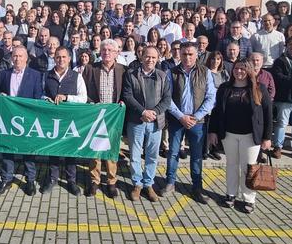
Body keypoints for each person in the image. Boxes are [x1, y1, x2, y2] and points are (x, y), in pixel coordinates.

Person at [208, 59, 272, 214]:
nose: (239, 72)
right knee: (231, 165)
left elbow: (268, 114)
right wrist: (213, 131)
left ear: (249, 70)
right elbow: (216, 112)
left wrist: (267, 137)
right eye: (236, 69)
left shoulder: (259, 88)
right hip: (229, 134)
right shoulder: (225, 88)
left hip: (250, 137)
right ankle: (230, 194)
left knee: (248, 168)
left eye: (243, 69)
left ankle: (249, 199)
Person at [161, 42, 216, 204]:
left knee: (197, 155)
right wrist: (181, 116)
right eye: (184, 54)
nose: (187, 57)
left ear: (197, 54)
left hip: (197, 122)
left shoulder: (205, 72)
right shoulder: (171, 72)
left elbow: (211, 97)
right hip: (177, 120)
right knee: (173, 152)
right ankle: (170, 182)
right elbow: (167, 98)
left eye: (190, 54)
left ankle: (197, 187)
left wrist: (196, 116)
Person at [0, 46, 43, 196]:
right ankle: (6, 179)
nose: (17, 59)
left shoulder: (35, 75)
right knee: (7, 151)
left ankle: (30, 180)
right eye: (15, 56)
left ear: (26, 58)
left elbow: (38, 97)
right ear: (11, 58)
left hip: (27, 120)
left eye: (21, 56)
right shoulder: (4, 74)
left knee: (28, 151)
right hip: (8, 120)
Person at [123, 46, 171, 202]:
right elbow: (128, 96)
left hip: (155, 122)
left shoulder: (163, 76)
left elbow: (167, 99)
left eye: (154, 58)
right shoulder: (131, 74)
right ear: (141, 57)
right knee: (135, 155)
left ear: (158, 59)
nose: (150, 60)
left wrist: (154, 112)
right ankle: (137, 184)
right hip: (136, 120)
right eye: (147, 57)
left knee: (152, 155)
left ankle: (148, 184)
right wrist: (143, 112)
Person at [41, 46, 88, 196]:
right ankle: (52, 179)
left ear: (69, 59)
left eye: (64, 57)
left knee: (70, 151)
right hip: (51, 120)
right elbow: (40, 93)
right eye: (58, 57)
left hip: (70, 120)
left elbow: (83, 98)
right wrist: (44, 99)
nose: (61, 60)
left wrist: (67, 97)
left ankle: (71, 181)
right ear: (54, 58)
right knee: (53, 150)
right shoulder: (46, 75)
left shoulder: (76, 76)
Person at [82, 39, 126, 198]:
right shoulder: (90, 69)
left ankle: (111, 182)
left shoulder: (123, 70)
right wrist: (91, 103)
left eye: (110, 50)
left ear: (116, 53)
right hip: (95, 116)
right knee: (95, 150)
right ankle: (95, 181)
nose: (106, 52)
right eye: (104, 50)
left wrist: (123, 102)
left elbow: (125, 93)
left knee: (111, 150)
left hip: (113, 117)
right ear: (100, 52)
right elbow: (83, 91)